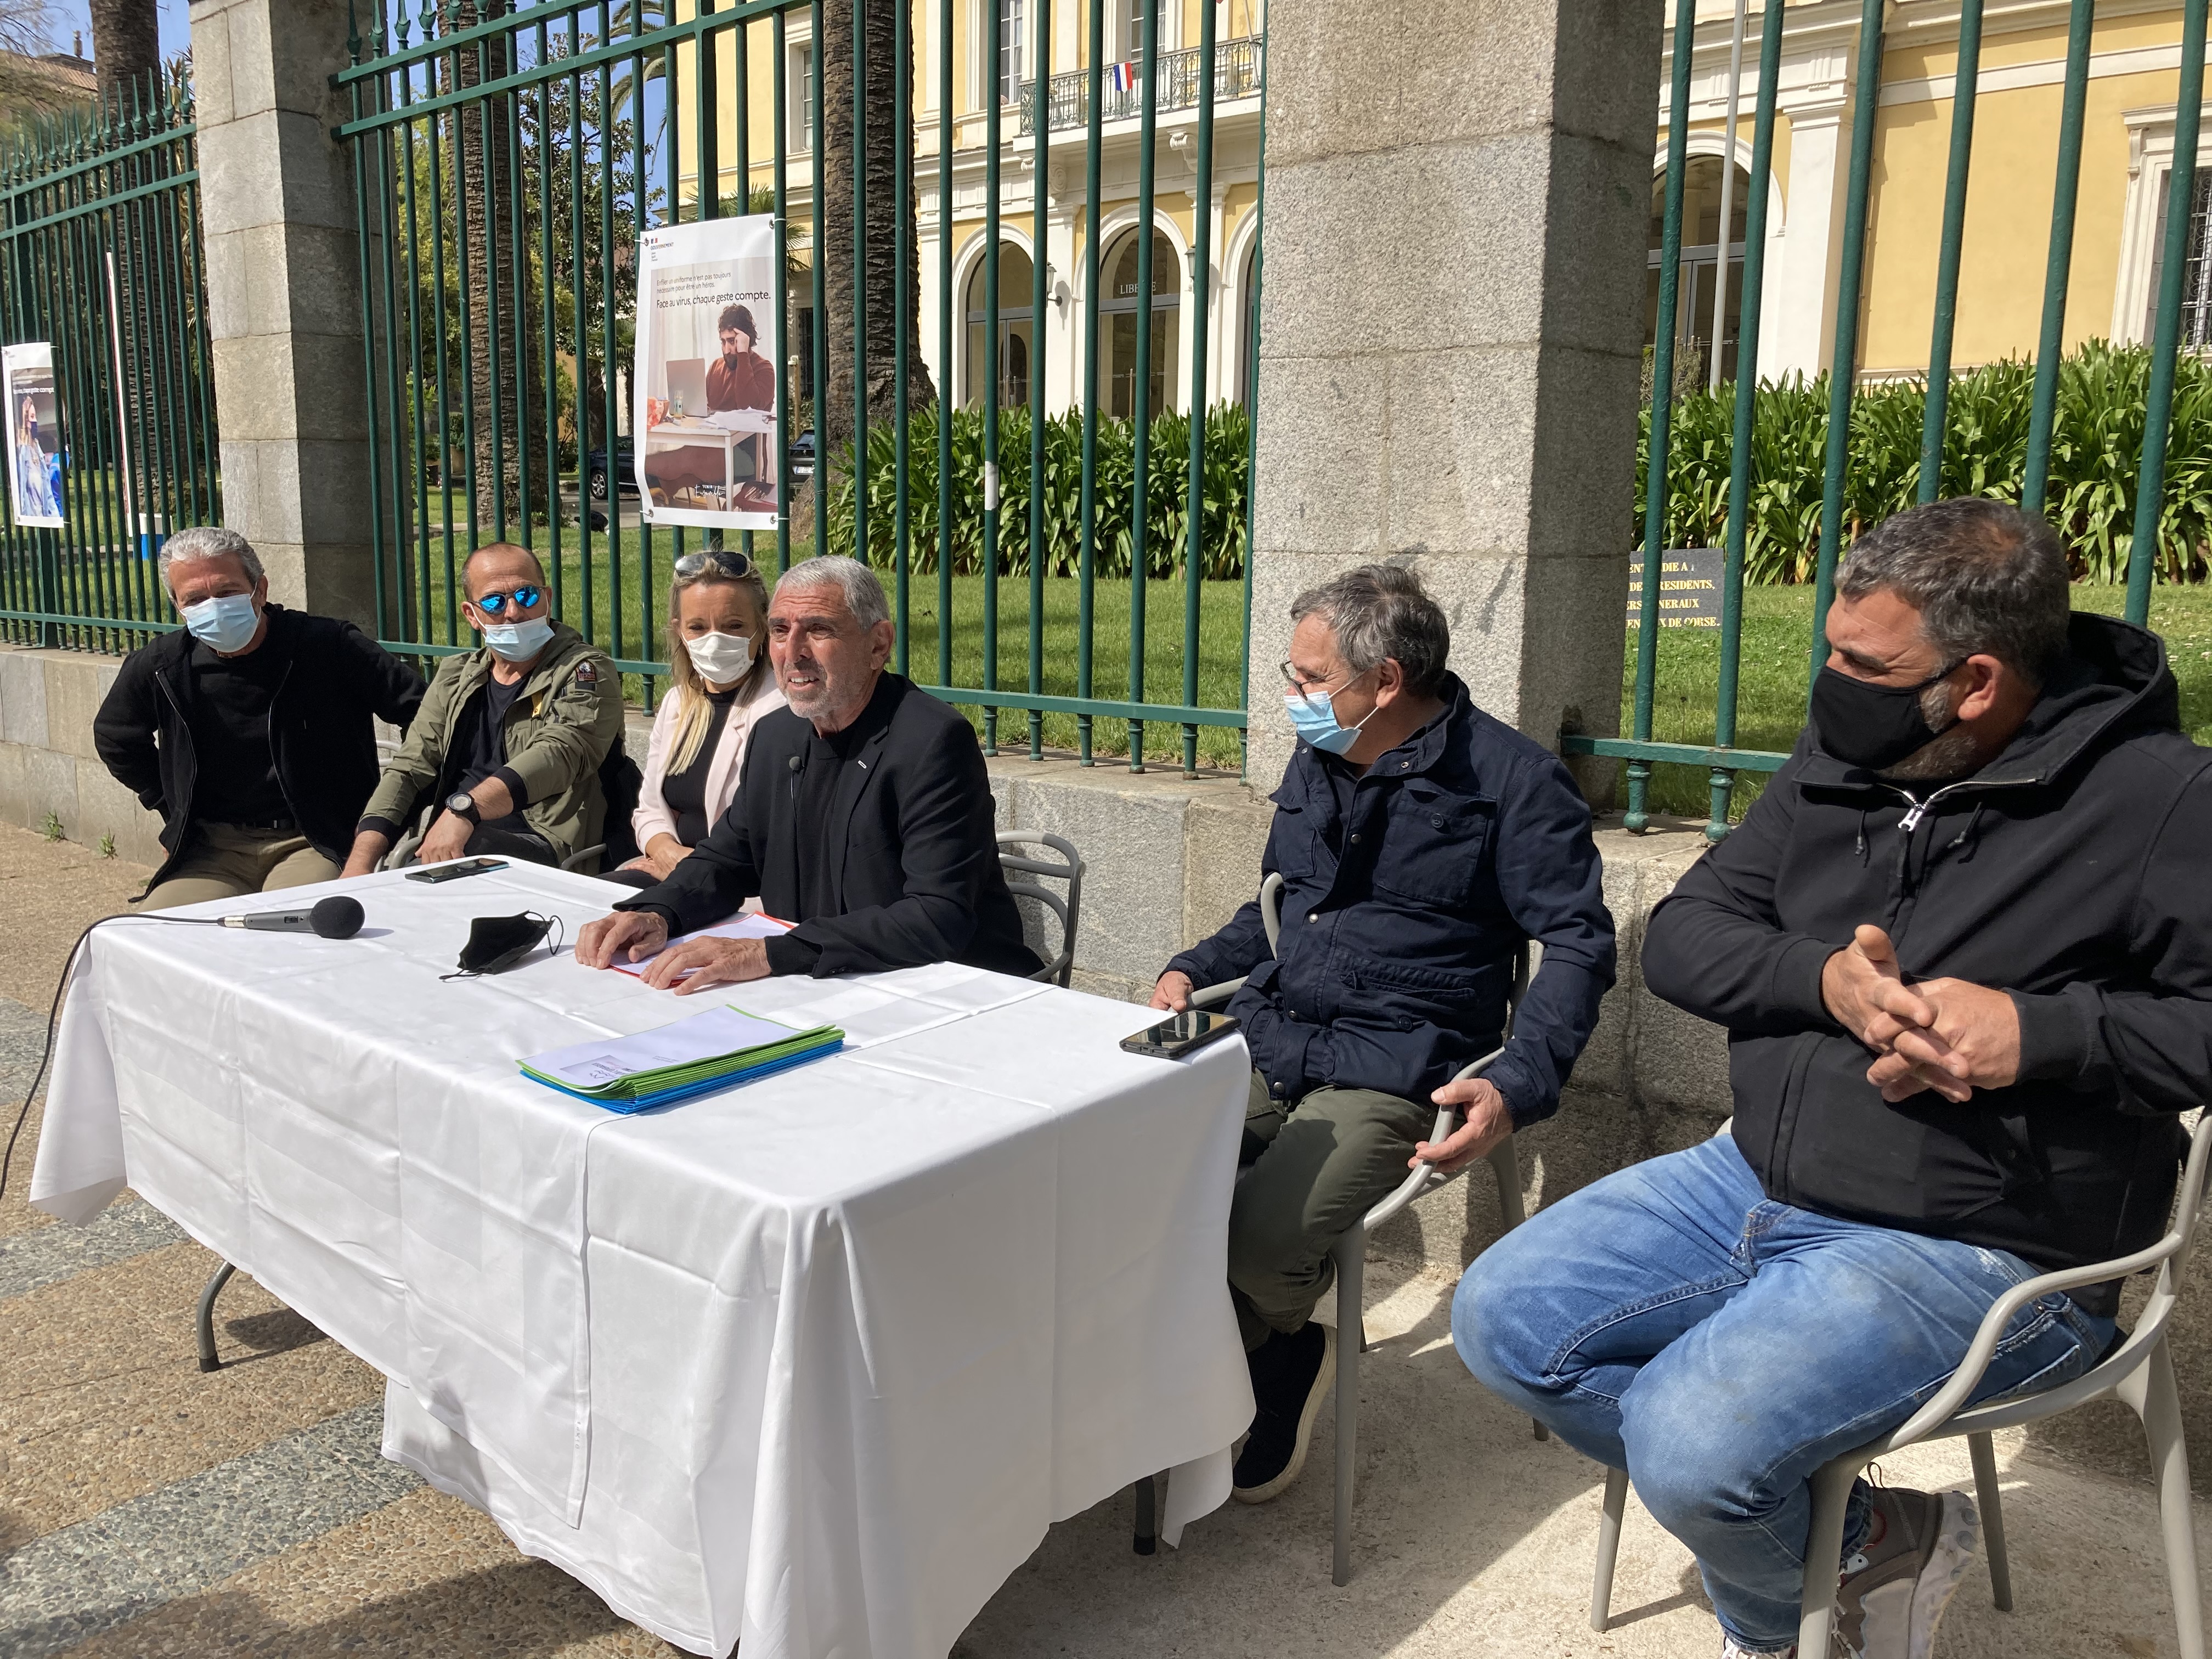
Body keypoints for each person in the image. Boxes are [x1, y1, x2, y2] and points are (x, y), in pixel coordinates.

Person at [1454, 498, 2212, 1659]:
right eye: (1833, 651)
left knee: (1693, 1444)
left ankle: (1790, 1624)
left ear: (1976, 681)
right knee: (1504, 1321)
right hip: (1751, 1178)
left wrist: (2037, 1032)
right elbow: (1684, 934)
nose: (1833, 684)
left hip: (1992, 1244)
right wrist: (1823, 982)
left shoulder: (2164, 799)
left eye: (1868, 665)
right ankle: (1866, 1544)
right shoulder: (1850, 753)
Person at [1150, 563, 1616, 1504]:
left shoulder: (1512, 782)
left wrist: (1518, 1082)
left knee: (1257, 1239)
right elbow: (1281, 905)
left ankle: (1273, 1353)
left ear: (1388, 680)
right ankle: (1248, 1345)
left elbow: (1578, 943)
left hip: (1398, 1062)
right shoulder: (1320, 757)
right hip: (1276, 1030)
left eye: (1311, 678)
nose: (1293, 695)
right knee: (1144, 1175)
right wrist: (1193, 966)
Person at [575, 555, 1041, 986]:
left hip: (951, 988)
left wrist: (770, 953)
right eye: (780, 630)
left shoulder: (932, 741)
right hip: (818, 984)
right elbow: (727, 860)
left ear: (878, 644)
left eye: (818, 630)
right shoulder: (776, 735)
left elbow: (936, 916)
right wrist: (658, 913)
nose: (793, 652)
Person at [92, 525, 426, 910]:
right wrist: (173, 811)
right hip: (211, 850)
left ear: (260, 589)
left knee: (292, 924)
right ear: (178, 607)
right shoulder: (164, 665)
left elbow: (425, 717)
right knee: (161, 931)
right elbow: (115, 737)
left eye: (227, 591)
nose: (214, 607)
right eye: (195, 599)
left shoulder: (327, 646)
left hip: (314, 840)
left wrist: (388, 812)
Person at [343, 543, 623, 874]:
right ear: (471, 615)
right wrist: (359, 865)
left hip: (545, 843)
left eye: (527, 596)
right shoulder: (455, 677)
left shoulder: (584, 670)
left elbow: (559, 753)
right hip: (455, 841)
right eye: (494, 602)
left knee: (465, 855)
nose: (514, 612)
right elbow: (412, 767)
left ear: (547, 598)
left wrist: (465, 810)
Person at [600, 546, 785, 891]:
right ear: (680, 632)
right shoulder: (677, 703)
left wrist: (690, 871)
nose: (715, 640)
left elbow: (768, 836)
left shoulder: (780, 711)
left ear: (762, 627)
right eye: (698, 627)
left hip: (735, 890)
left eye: (734, 626)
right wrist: (668, 855)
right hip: (667, 873)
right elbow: (648, 810)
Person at [645, 303, 775, 508]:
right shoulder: (716, 366)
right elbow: (705, 408)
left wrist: (743, 355)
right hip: (711, 447)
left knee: (687, 457)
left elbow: (747, 405)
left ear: (746, 339)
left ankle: (636, 467)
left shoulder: (764, 369)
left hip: (743, 456)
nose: (727, 349)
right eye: (723, 341)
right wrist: (685, 412)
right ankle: (655, 491)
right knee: (676, 475)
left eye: (733, 341)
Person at [14, 395, 57, 520]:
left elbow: (46, 486)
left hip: (43, 514)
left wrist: (54, 515)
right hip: (31, 515)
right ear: (25, 421)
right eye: (32, 417)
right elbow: (22, 488)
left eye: (35, 417)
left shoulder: (37, 447)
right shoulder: (22, 452)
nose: (35, 421)